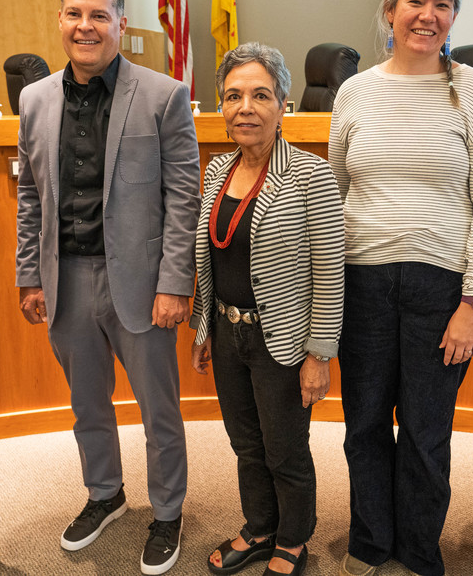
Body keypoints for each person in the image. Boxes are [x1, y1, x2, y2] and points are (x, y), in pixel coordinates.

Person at [328, 0, 473, 576]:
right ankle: (371, 543)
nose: (427, 15)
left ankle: (418, 554)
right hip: (364, 283)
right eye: (415, 1)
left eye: (442, 4)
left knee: (427, 434)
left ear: (453, 16)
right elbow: (341, 188)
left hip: (442, 290)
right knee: (366, 424)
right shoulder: (354, 91)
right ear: (390, 9)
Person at [15, 0, 200, 575]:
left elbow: (183, 197)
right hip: (65, 280)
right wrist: (29, 273)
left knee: (158, 409)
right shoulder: (34, 100)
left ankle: (167, 509)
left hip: (142, 285)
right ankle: (105, 494)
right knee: (86, 404)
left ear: (121, 22)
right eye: (75, 14)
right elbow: (30, 198)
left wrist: (175, 283)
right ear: (60, 18)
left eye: (99, 15)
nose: (85, 26)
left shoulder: (163, 94)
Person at [190, 43, 345, 576]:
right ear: (221, 106)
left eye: (260, 95)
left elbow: (329, 273)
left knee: (284, 448)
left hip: (282, 339)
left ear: (284, 105)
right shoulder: (214, 173)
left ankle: (294, 538)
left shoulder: (311, 175)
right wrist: (204, 325)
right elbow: (209, 258)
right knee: (245, 443)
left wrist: (320, 355)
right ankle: (259, 528)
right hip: (229, 335)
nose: (245, 108)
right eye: (233, 96)